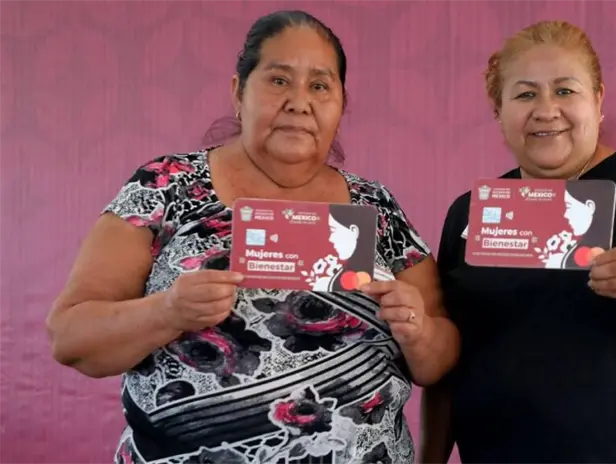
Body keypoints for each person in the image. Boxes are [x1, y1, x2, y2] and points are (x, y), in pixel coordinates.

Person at [45, 10, 459, 464]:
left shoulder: (374, 206)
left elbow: (440, 358)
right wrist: (167, 311)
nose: (300, 102)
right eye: (279, 80)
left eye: (319, 85)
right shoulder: (167, 185)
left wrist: (417, 331)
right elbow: (72, 338)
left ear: (341, 104)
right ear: (239, 92)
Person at [420, 20, 616, 464]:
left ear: (598, 100)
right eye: (525, 94)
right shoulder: (470, 212)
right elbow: (450, 360)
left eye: (565, 91)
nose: (546, 110)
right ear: (499, 110)